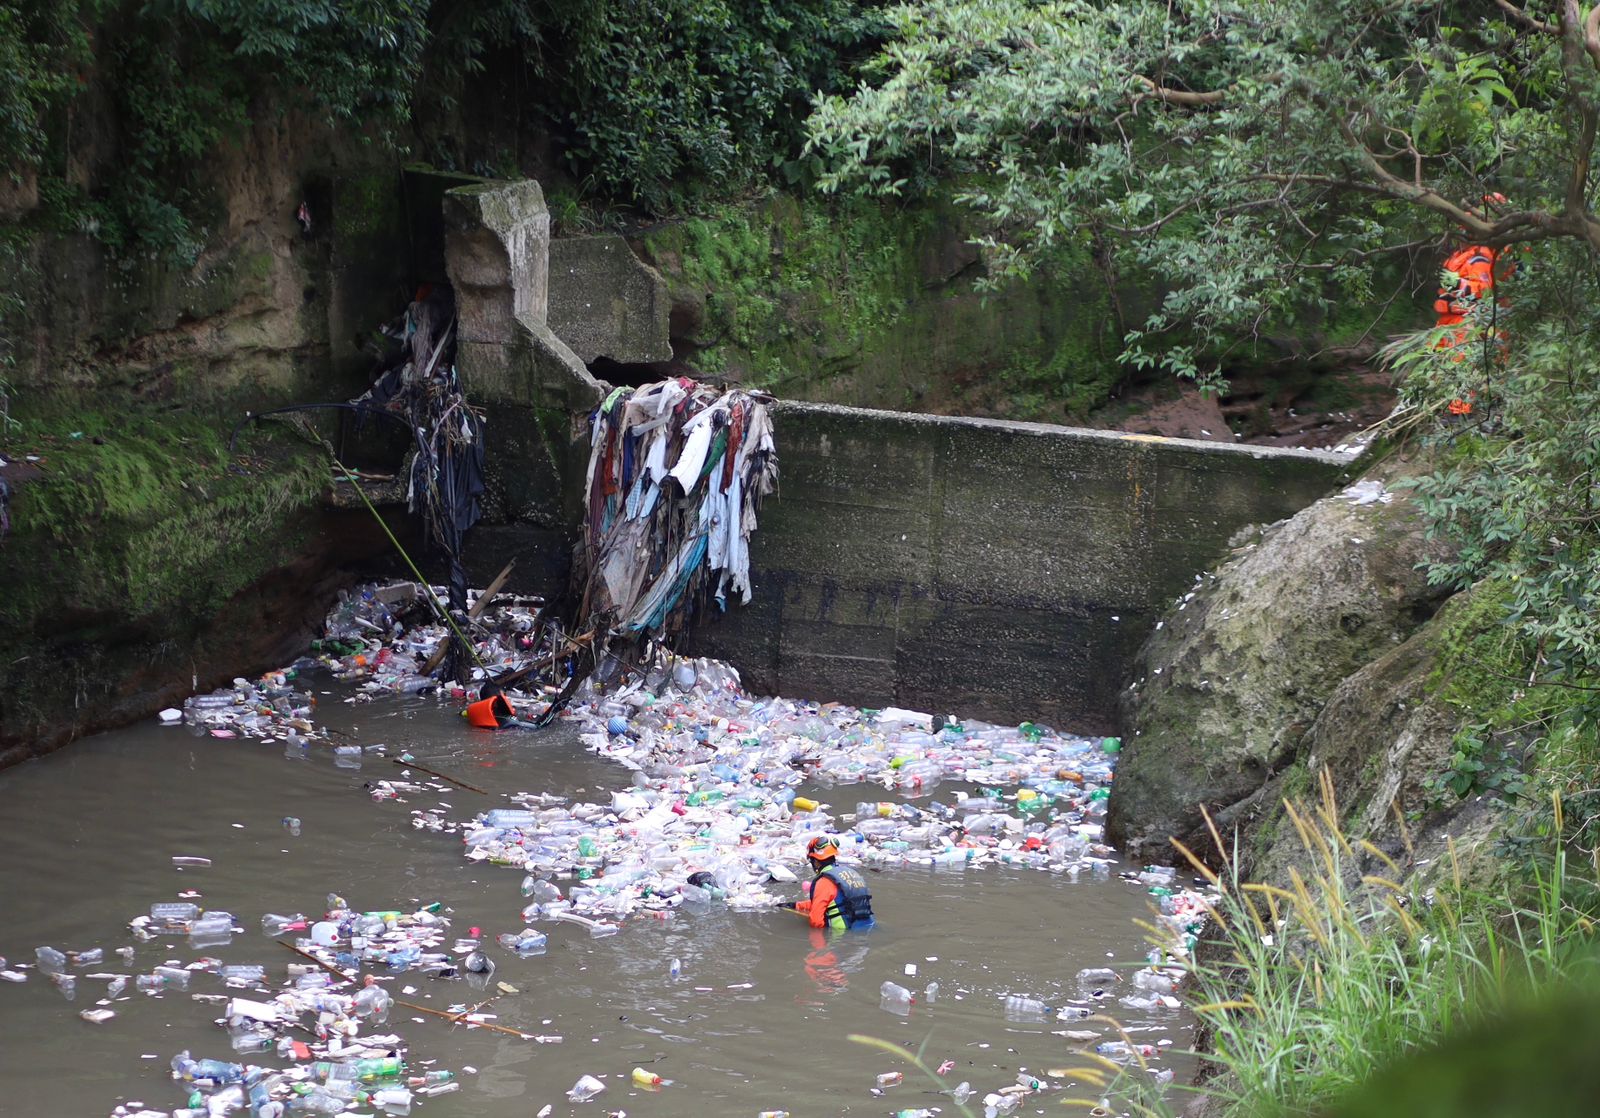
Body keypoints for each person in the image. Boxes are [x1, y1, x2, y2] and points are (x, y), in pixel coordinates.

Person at [791, 836, 875, 931]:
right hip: (870, 926)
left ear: (816, 862)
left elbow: (816, 921)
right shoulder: (851, 873)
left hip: (843, 935)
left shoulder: (824, 882)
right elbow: (836, 901)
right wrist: (796, 905)